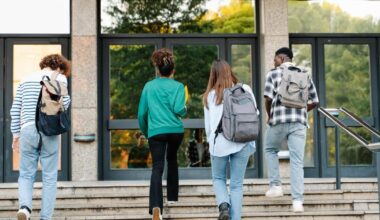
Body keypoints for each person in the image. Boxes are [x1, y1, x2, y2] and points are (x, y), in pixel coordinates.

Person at [10, 54, 71, 220]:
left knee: (26, 174)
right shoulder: (60, 78)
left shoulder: (24, 80)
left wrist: (16, 135)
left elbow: (15, 110)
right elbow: (64, 105)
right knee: (49, 175)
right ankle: (45, 217)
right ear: (59, 67)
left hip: (27, 129)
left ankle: (25, 208)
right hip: (49, 130)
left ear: (43, 64)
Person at [263, 47, 319, 212]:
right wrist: (300, 110)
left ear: (281, 58)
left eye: (274, 59)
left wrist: (270, 115)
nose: (274, 62)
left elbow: (268, 97)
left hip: (278, 120)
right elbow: (315, 101)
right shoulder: (304, 74)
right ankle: (297, 202)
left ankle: (276, 186)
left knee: (270, 149)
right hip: (299, 123)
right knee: (297, 161)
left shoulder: (273, 74)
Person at [203, 59, 257, 220]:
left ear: (213, 75)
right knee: (236, 185)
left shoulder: (210, 96)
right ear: (230, 71)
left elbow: (208, 128)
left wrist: (210, 144)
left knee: (218, 178)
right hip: (243, 141)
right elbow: (256, 114)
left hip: (219, 143)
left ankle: (224, 205)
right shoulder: (245, 89)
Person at [138, 48, 187, 220]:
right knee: (172, 159)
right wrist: (184, 107)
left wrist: (146, 131)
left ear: (157, 70)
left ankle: (156, 207)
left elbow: (142, 114)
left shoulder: (149, 86)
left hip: (156, 132)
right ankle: (173, 197)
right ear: (173, 70)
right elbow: (180, 110)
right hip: (175, 131)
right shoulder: (179, 86)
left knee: (157, 167)